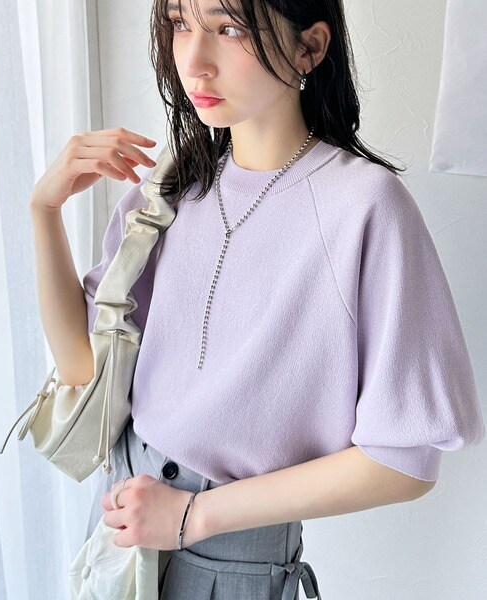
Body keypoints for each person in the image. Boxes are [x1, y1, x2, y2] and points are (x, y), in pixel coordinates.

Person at [29, 0, 485, 598]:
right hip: (119, 529)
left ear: (309, 47)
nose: (194, 61)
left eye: (230, 28)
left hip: (226, 561)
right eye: (180, 24)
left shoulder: (364, 207)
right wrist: (44, 211)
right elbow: (86, 372)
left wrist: (194, 516)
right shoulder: (171, 189)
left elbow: (405, 460)